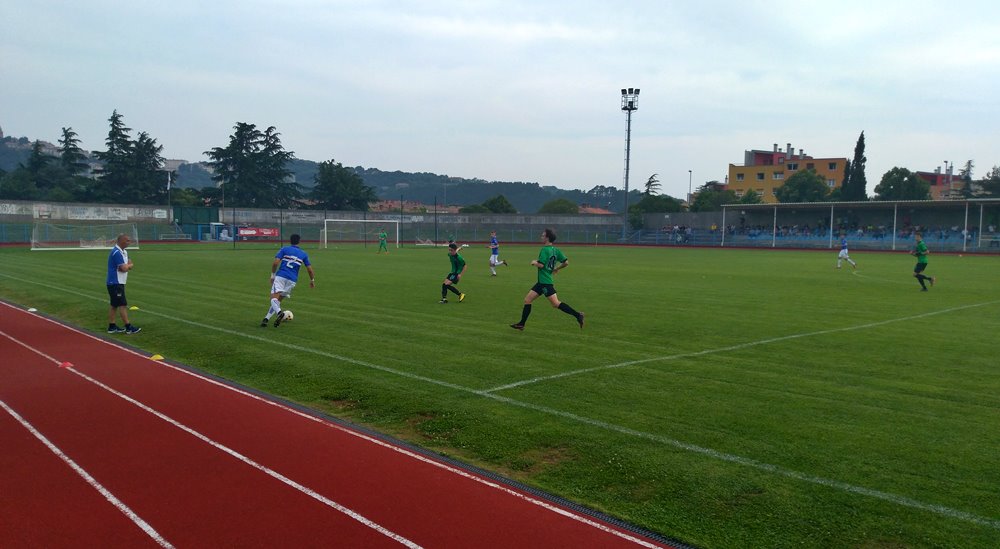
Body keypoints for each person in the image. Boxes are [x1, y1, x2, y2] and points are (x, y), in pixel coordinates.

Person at [510, 228, 584, 331]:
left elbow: (541, 265)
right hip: (541, 282)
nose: (541, 237)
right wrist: (556, 268)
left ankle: (578, 315)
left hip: (545, 283)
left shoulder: (544, 250)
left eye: (543, 235)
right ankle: (521, 324)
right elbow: (566, 262)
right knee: (527, 300)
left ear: (547, 238)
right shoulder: (556, 250)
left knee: (555, 304)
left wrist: (534, 262)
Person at [261, 234, 315, 327]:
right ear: (299, 241)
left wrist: (273, 275)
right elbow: (309, 269)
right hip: (292, 280)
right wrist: (312, 280)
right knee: (278, 301)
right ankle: (266, 319)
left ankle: (279, 313)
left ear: (290, 241)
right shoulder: (303, 254)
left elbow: (275, 263)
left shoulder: (284, 249)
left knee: (273, 298)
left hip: (281, 276)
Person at [106, 233, 140, 334]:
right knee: (122, 304)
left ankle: (112, 326)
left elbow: (129, 263)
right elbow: (125, 268)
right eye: (127, 240)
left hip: (118, 282)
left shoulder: (124, 252)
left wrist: (128, 266)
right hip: (115, 282)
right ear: (121, 241)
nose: (129, 242)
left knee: (114, 305)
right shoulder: (116, 252)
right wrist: (128, 266)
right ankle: (128, 327)